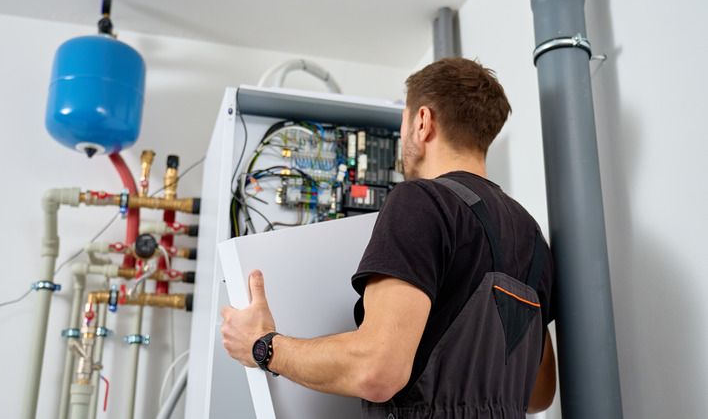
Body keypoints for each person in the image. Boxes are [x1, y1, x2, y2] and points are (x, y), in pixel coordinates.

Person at [221, 57, 557, 418]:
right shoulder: (533, 237)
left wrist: (264, 346)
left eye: (404, 123)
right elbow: (538, 394)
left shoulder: (422, 200)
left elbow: (377, 372)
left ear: (423, 122)